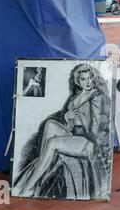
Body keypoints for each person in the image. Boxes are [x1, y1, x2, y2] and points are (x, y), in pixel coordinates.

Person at [13, 64, 111, 199]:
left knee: (52, 143)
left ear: (93, 78)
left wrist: (91, 138)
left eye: (89, 78)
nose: (87, 82)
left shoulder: (97, 97)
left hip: (87, 139)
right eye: (83, 79)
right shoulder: (77, 94)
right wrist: (67, 116)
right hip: (74, 134)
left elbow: (101, 125)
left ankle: (29, 187)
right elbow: (66, 115)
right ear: (78, 81)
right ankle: (43, 167)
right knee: (50, 124)